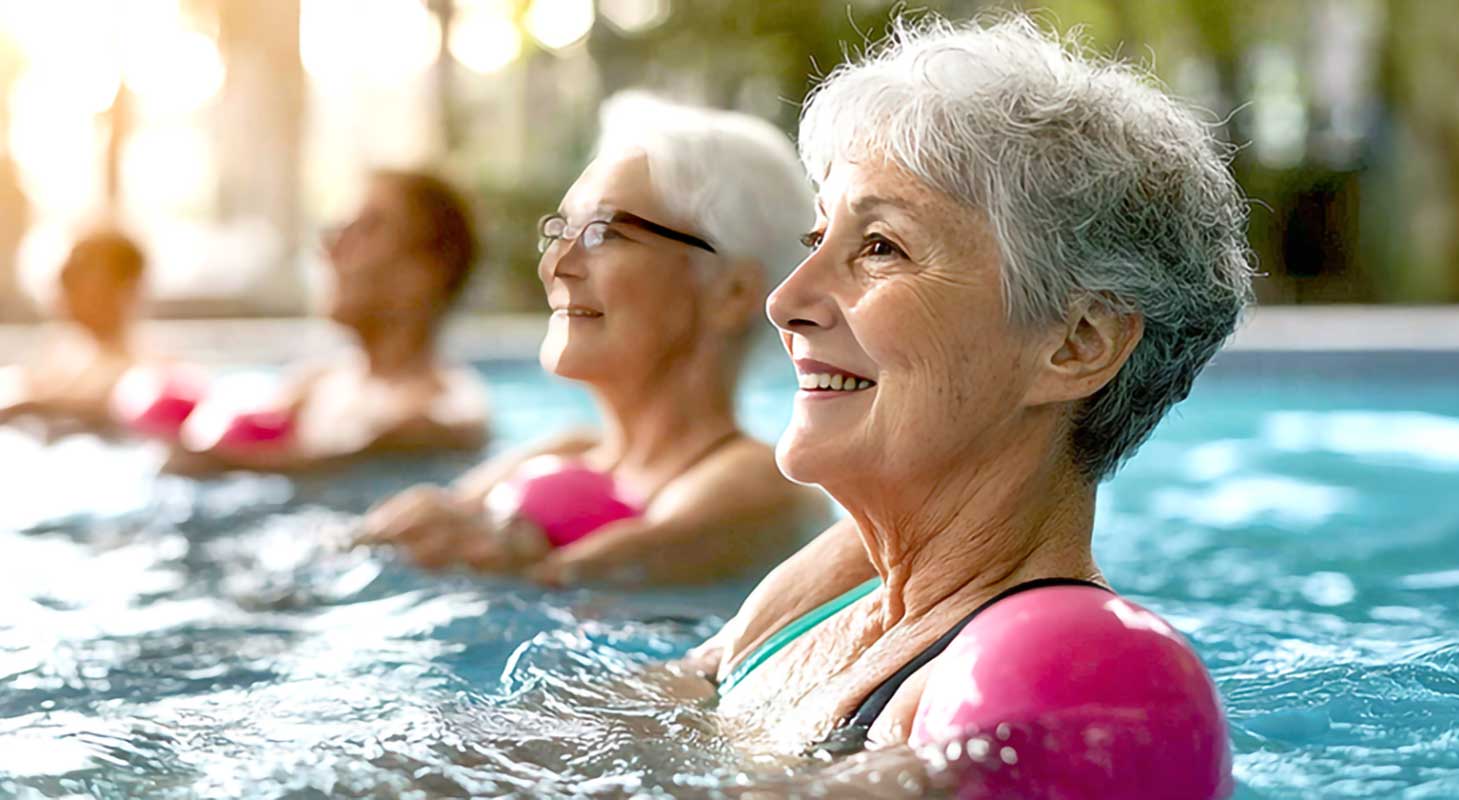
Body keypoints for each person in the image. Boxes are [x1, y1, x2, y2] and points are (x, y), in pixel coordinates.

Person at [671, 16, 1252, 797]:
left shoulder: (1079, 674)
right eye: (817, 239)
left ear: (1078, 342)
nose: (787, 301)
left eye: (881, 246)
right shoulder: (839, 583)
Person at [358, 97, 832, 587]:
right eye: (560, 231)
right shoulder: (569, 449)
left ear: (731, 293)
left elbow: (591, 572)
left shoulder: (759, 485)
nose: (556, 265)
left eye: (604, 233)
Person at [161, 169, 489, 473]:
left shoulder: (443, 415)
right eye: (339, 228)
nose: (331, 245)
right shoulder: (314, 385)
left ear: (427, 270)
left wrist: (218, 463)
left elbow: (312, 468)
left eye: (366, 228)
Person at [0, 229, 150, 436]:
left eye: (76, 276)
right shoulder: (63, 355)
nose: (62, 289)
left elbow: (114, 398)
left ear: (123, 290)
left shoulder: (142, 372)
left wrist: (30, 403)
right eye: (66, 277)